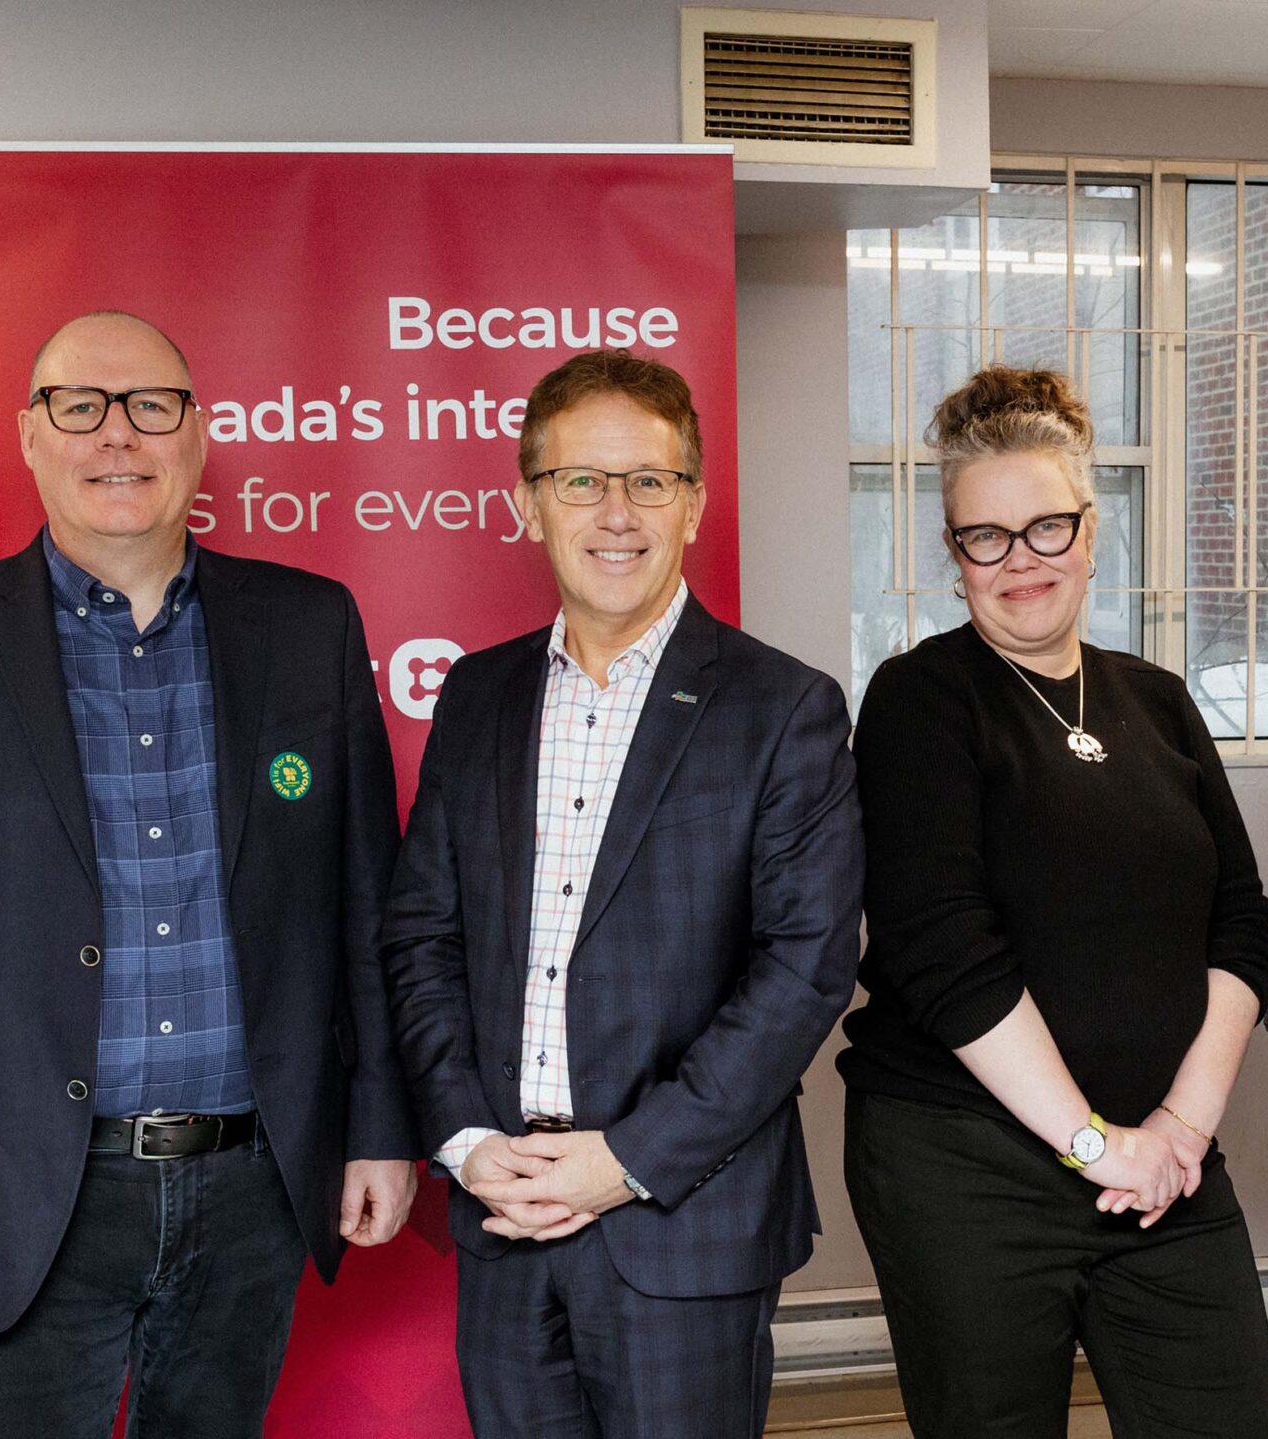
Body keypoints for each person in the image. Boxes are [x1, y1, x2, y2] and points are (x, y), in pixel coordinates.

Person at [0, 310, 418, 1437]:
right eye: (79, 407)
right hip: (20, 1183)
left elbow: (362, 905)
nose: (116, 435)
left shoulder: (306, 625)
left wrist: (379, 1124)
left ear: (196, 432)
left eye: (150, 405)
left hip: (254, 1187)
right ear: (30, 436)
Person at [380, 348, 861, 1438]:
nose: (616, 511)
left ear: (692, 503)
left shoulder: (783, 707)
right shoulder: (479, 693)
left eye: (649, 479)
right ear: (527, 503)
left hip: (682, 1222)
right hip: (503, 1208)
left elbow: (805, 966)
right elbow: (422, 933)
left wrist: (625, 1160)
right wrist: (463, 1139)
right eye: (580, 480)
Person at [840, 366, 1268, 1437]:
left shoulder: (1159, 702)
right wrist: (1095, 1143)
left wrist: (1175, 1128)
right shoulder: (920, 699)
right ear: (954, 558)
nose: (1020, 560)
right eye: (983, 538)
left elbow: (1240, 925)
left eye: (1045, 526)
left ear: (1091, 530)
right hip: (965, 1168)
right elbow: (944, 954)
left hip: (1166, 1171)